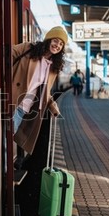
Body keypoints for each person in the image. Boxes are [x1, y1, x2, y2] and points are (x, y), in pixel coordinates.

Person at [11, 26, 68, 158]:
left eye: (61, 44)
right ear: (48, 39)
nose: (57, 45)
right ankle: (4, 173)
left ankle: (6, 171)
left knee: (9, 138)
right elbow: (8, 53)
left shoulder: (53, 66)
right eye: (55, 40)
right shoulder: (29, 48)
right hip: (13, 101)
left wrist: (52, 106)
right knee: (6, 139)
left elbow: (45, 92)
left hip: (26, 108)